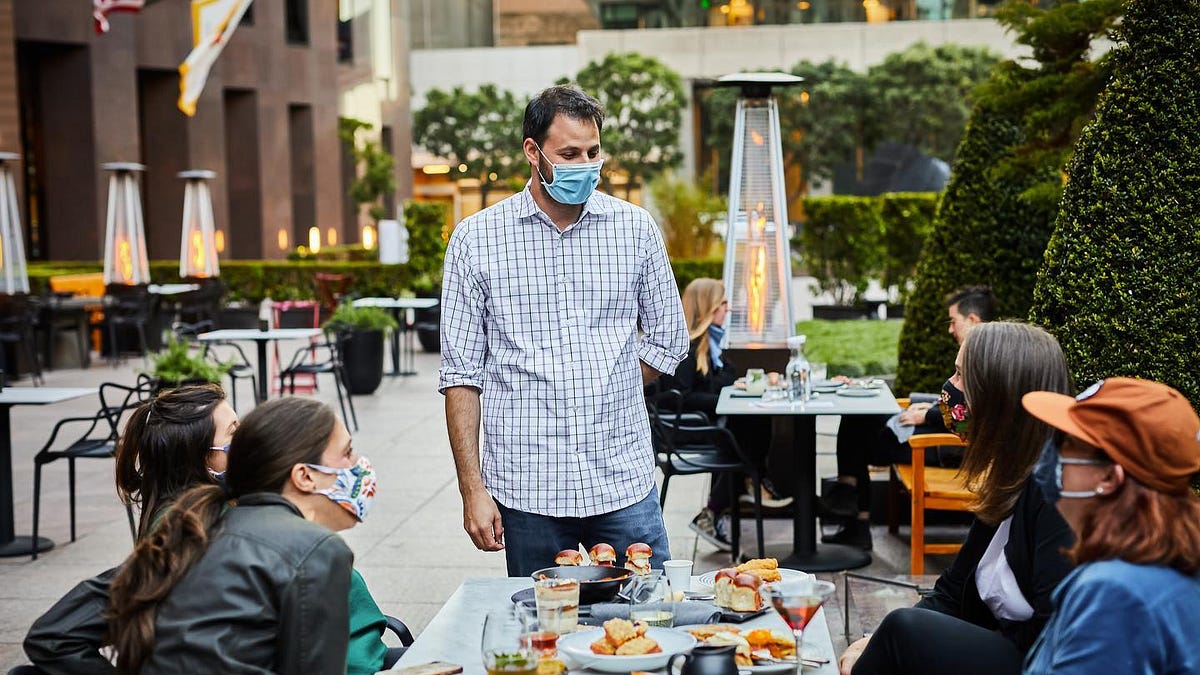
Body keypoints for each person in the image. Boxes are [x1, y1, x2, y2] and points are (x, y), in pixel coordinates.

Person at [438, 84, 689, 577]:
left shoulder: (635, 229)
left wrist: (610, 380)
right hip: (527, 487)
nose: (586, 165)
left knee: (648, 613)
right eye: (570, 154)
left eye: (593, 152)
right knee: (543, 620)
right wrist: (472, 488)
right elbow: (461, 374)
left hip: (622, 480)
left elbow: (669, 339)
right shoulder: (475, 240)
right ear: (533, 152)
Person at [24, 397, 378, 673]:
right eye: (347, 453)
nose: (358, 465)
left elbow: (53, 634)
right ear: (304, 475)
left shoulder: (189, 529)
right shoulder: (315, 550)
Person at [839, 322, 1075, 675]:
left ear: (998, 391)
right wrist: (876, 639)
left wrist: (898, 639)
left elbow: (1058, 635)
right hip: (1009, 648)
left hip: (1038, 662)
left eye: (961, 375)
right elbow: (952, 590)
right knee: (896, 631)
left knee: (904, 629)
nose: (949, 388)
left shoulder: (1054, 491)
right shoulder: (1009, 475)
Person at [1021, 377, 1200, 674]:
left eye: (1067, 444)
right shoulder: (1172, 561)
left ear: (1109, 478)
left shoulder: (1114, 593)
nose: (1054, 457)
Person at [822, 285, 996, 549]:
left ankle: (851, 508)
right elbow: (965, 403)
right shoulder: (985, 352)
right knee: (858, 417)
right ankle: (851, 508)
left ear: (972, 320)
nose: (950, 329)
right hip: (940, 434)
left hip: (946, 447)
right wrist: (929, 407)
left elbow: (971, 415)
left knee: (858, 434)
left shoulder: (985, 358)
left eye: (953, 321)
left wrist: (929, 415)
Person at [656, 278, 790, 551]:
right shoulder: (686, 349)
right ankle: (751, 483)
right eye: (723, 303)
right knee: (745, 436)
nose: (728, 309)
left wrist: (732, 388)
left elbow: (726, 376)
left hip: (704, 424)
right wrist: (723, 399)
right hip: (685, 431)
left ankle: (741, 491)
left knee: (752, 421)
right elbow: (682, 398)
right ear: (707, 307)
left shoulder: (711, 346)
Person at [114, 383, 238, 538]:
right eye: (233, 432)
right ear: (198, 456)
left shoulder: (206, 504)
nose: (245, 436)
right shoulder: (184, 527)